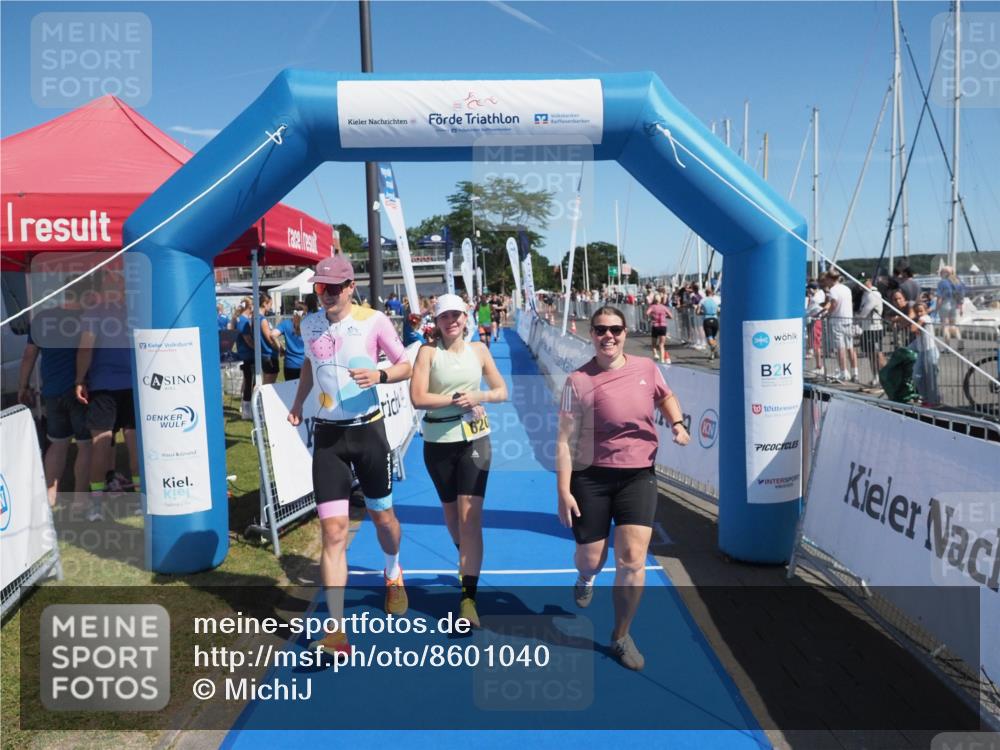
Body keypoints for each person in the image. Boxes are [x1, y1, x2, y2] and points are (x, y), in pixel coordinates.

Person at [288, 254, 413, 657]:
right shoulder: (309, 324)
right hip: (328, 439)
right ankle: (337, 629)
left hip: (368, 433)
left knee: (384, 519)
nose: (324, 295)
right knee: (334, 532)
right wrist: (298, 402)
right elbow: (309, 364)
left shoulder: (374, 320)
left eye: (331, 288)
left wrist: (379, 375)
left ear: (350, 286)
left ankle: (393, 572)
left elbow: (405, 365)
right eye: (319, 288)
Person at [556, 306, 690, 671]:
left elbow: (665, 396)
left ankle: (620, 635)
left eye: (615, 329)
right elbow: (565, 441)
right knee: (592, 559)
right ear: (592, 335)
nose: (608, 336)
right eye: (600, 330)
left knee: (632, 560)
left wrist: (676, 423)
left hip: (638, 475)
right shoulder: (577, 380)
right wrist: (563, 491)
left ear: (625, 333)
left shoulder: (646, 368)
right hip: (590, 477)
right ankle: (585, 577)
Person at [409, 294, 508, 627]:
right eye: (444, 316)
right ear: (436, 322)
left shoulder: (479, 350)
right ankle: (464, 556)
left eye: (457, 315)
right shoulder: (427, 353)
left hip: (476, 440)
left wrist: (478, 395)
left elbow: (500, 390)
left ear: (466, 318)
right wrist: (456, 400)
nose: (451, 320)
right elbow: (417, 398)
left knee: (470, 518)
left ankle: (468, 598)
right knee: (452, 517)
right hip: (438, 443)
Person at [75, 266, 140, 521]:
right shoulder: (136, 312)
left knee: (100, 445)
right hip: (134, 386)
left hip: (104, 385)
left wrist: (79, 379)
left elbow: (85, 349)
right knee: (136, 445)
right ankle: (139, 502)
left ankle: (96, 507)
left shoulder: (95, 311)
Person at [18, 297, 92, 508]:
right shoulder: (87, 318)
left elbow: (28, 355)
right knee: (85, 445)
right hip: (80, 390)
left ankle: (48, 499)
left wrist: (23, 386)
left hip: (51, 391)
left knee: (58, 443)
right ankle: (80, 499)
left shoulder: (41, 318)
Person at [825, 271, 859, 382]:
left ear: (830, 279)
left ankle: (844, 372)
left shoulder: (833, 290)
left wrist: (828, 314)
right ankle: (855, 372)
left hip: (837, 320)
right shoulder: (846, 288)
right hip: (848, 319)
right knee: (850, 347)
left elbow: (834, 304)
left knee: (841, 348)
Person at [857, 274, 885, 387]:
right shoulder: (865, 294)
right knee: (870, 355)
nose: (861, 284)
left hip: (875, 328)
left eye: (864, 282)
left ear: (869, 281)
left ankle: (884, 378)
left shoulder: (874, 294)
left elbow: (864, 313)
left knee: (878, 355)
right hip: (866, 328)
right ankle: (876, 377)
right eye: (860, 282)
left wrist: (857, 316)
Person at [234, 298, 255, 419]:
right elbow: (247, 339)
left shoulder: (243, 319)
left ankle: (247, 408)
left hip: (247, 354)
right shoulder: (243, 320)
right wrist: (258, 348)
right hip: (247, 355)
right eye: (252, 305)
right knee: (248, 383)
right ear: (249, 306)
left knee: (248, 382)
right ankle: (246, 411)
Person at [275, 301, 306, 381]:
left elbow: (273, 334)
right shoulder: (307, 325)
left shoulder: (286, 323)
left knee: (291, 392)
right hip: (305, 364)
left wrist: (280, 348)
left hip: (290, 365)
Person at [256, 293, 281, 386]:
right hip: (269, 355)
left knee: (265, 383)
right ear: (264, 303)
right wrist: (280, 348)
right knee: (269, 385)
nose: (271, 307)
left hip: (263, 354)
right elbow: (270, 339)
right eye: (270, 304)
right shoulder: (262, 319)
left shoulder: (255, 318)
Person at [935, 266, 965, 340]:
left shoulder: (942, 283)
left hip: (944, 304)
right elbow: (961, 297)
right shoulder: (957, 282)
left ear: (945, 273)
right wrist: (961, 309)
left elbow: (940, 298)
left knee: (945, 326)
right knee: (953, 325)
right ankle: (959, 341)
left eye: (941, 272)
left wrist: (936, 308)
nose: (940, 274)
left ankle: (947, 347)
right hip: (954, 305)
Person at [645, 294, 672, 363]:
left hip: (655, 326)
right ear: (660, 300)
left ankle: (656, 354)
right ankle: (662, 359)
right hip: (663, 326)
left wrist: (650, 318)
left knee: (654, 344)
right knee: (661, 344)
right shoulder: (663, 307)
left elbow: (647, 313)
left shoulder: (652, 307)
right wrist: (665, 316)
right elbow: (671, 316)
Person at [697, 288, 720, 361]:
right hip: (715, 319)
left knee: (710, 338)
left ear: (705, 293)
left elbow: (697, 312)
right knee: (713, 337)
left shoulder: (703, 300)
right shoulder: (716, 300)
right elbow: (719, 310)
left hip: (707, 319)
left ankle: (714, 346)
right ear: (712, 293)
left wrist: (702, 312)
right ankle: (712, 354)